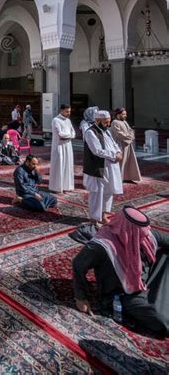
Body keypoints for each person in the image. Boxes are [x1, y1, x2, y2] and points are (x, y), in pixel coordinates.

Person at [73, 206, 168, 337]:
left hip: (148, 277)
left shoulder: (145, 234)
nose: (147, 232)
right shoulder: (102, 246)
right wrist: (80, 297)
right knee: (161, 320)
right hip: (125, 293)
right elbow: (78, 264)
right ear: (130, 230)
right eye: (142, 231)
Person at [83, 110, 123, 226]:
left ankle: (104, 215)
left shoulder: (107, 131)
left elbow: (114, 144)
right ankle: (94, 219)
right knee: (97, 192)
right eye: (105, 122)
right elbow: (97, 151)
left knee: (109, 191)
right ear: (98, 120)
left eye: (109, 122)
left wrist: (119, 152)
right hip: (99, 167)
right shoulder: (90, 132)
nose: (108, 124)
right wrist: (114, 155)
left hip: (111, 166)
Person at [49, 104, 76, 193]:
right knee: (59, 165)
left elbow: (74, 133)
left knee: (68, 164)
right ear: (61, 110)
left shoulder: (68, 120)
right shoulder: (55, 120)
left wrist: (68, 136)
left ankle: (67, 186)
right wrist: (69, 135)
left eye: (69, 112)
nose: (68, 113)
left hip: (68, 145)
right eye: (67, 111)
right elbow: (60, 134)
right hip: (59, 146)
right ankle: (56, 187)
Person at [111, 107, 141, 183]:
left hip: (128, 144)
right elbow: (119, 134)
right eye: (123, 114)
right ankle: (119, 179)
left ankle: (128, 177)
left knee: (128, 161)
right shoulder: (114, 122)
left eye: (125, 114)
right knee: (122, 162)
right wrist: (130, 137)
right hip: (120, 145)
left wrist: (130, 137)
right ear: (118, 115)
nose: (125, 115)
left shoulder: (124, 122)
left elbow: (131, 130)